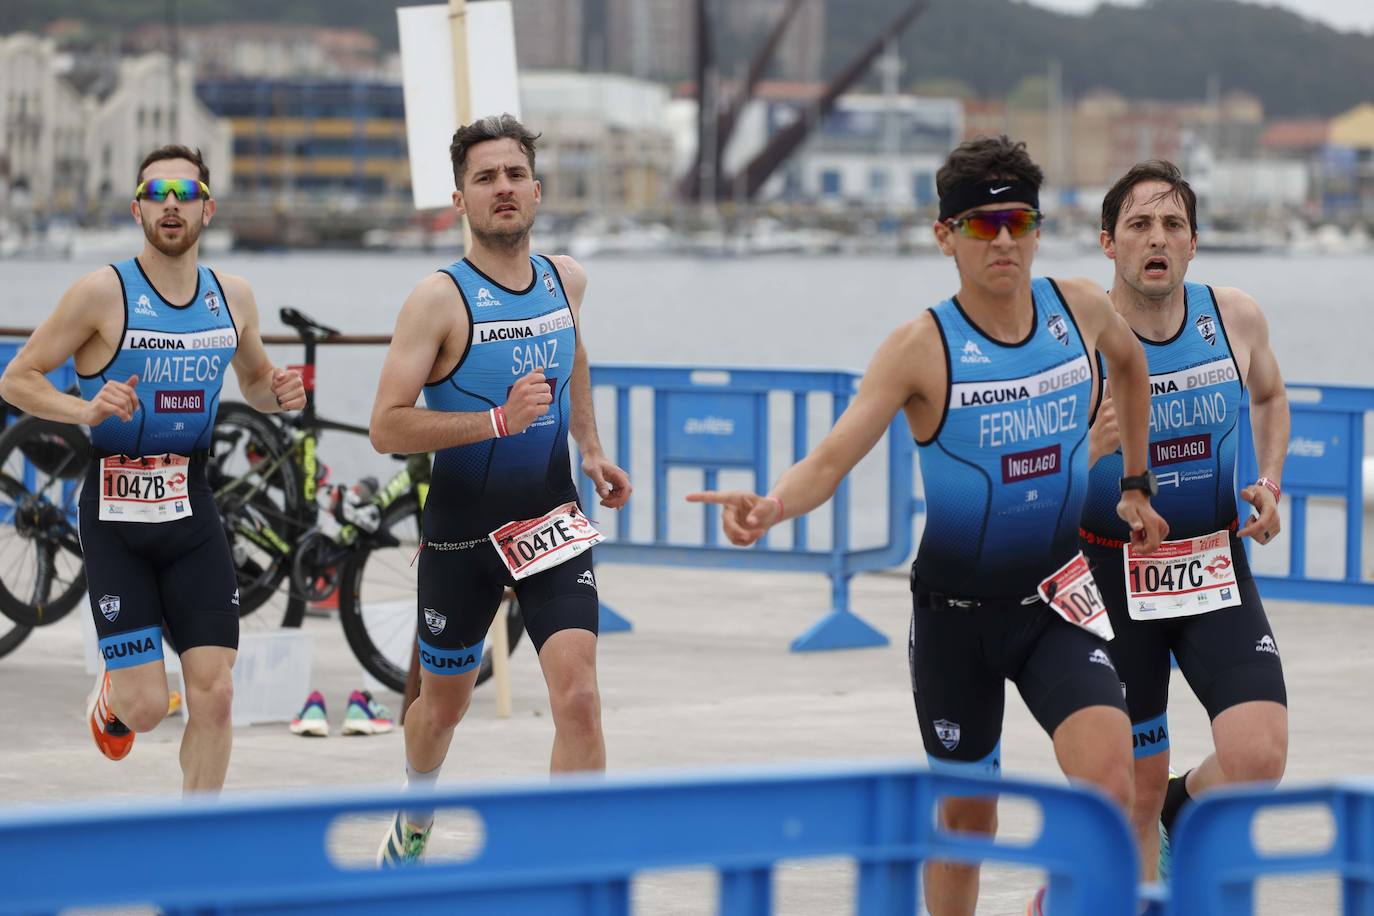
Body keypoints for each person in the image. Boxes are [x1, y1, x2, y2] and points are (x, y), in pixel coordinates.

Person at [689, 135, 1167, 916]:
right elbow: (832, 457)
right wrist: (772, 506)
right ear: (945, 236)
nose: (1004, 241)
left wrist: (1137, 484)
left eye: (1018, 221)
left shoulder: (1079, 308)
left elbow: (1133, 366)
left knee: (1113, 788)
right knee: (966, 826)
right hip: (956, 623)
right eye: (983, 226)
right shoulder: (921, 347)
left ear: (1039, 228)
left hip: (1058, 602)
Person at [0, 145, 305, 794]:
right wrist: (83, 408)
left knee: (216, 697)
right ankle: (113, 693)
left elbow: (252, 381)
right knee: (145, 709)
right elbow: (17, 379)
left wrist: (276, 391)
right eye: (157, 192)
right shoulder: (100, 293)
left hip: (191, 509)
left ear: (207, 209)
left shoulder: (234, 296)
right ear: (138, 207)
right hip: (115, 512)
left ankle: (199, 844)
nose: (172, 204)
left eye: (185, 193)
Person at [368, 113, 630, 866]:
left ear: (538, 191)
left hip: (551, 522)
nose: (503, 188)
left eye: (514, 174)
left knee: (578, 696)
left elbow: (573, 351)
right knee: (440, 709)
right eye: (486, 178)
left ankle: (566, 875)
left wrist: (590, 445)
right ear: (461, 200)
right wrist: (492, 420)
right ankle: (416, 814)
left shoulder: (564, 279)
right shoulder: (438, 300)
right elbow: (386, 426)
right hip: (461, 536)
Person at [1085, 159, 1289, 880]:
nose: (1156, 238)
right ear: (1108, 241)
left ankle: (1185, 805)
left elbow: (1269, 397)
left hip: (1212, 566)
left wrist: (1268, 480)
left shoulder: (1232, 316)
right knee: (1132, 792)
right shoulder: (1077, 342)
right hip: (1113, 578)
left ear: (1194, 242)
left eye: (1173, 224)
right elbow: (1024, 480)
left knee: (1259, 757)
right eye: (1139, 224)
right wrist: (1088, 450)